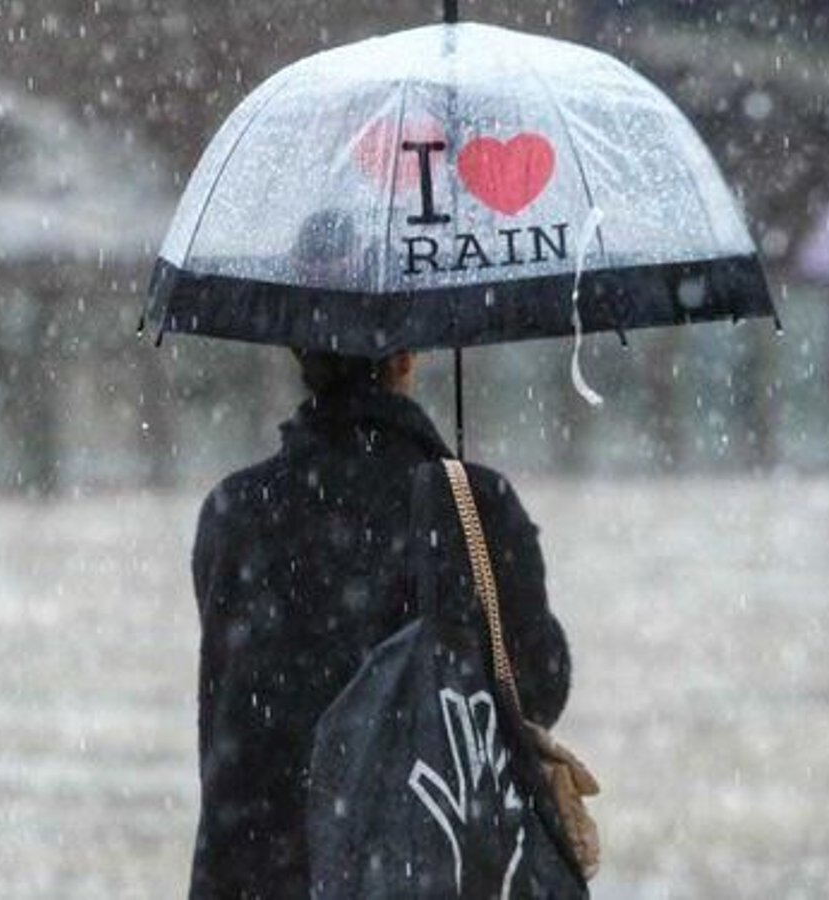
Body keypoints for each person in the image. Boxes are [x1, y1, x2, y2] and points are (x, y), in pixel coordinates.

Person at [187, 210, 572, 898]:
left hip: (268, 870)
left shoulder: (236, 512)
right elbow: (538, 686)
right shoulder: (473, 507)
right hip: (433, 864)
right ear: (406, 356)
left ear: (298, 354)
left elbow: (233, 720)